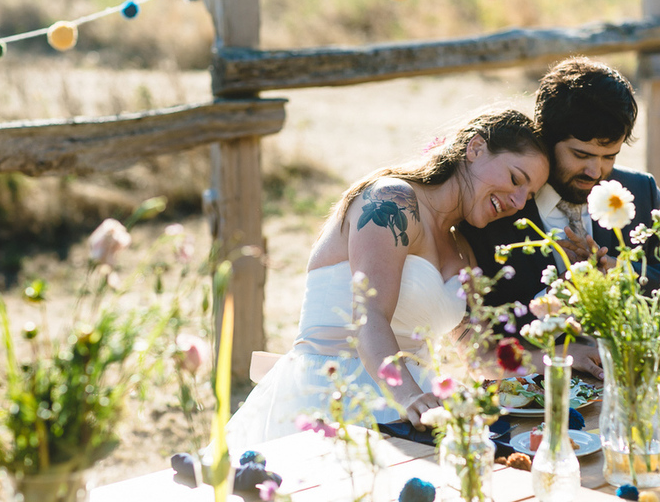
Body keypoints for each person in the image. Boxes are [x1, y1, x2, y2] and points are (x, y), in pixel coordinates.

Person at [225, 109, 549, 450]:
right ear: (476, 148)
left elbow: (474, 352)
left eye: (528, 196)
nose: (517, 201)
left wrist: (558, 356)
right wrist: (410, 397)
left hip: (413, 412)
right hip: (335, 395)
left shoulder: (462, 249)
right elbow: (369, 316)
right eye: (516, 179)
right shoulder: (390, 200)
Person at [460, 57, 660, 380]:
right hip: (528, 402)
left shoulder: (637, 191)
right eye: (581, 155)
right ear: (546, 138)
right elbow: (478, 340)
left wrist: (618, 272)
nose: (595, 172)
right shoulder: (498, 208)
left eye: (609, 157)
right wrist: (555, 300)